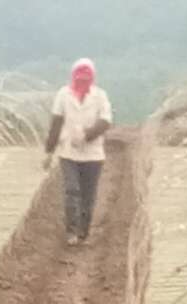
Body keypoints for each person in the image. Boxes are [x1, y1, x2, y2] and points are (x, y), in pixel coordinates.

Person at [44, 59, 113, 246]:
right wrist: (49, 151)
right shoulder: (63, 94)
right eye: (79, 77)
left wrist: (87, 135)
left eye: (86, 77)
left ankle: (84, 231)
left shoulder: (100, 96)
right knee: (72, 190)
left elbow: (106, 121)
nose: (82, 81)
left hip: (93, 154)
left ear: (92, 78)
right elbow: (56, 123)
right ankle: (71, 231)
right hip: (69, 152)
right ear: (74, 77)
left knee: (88, 194)